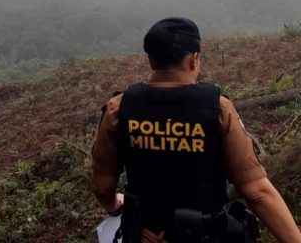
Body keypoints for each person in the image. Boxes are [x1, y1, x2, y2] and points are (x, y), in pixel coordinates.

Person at [91, 17, 301, 243]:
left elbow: (102, 186)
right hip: (207, 234)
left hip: (144, 233)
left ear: (151, 60)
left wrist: (114, 205)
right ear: (193, 60)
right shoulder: (218, 109)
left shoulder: (119, 108)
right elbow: (256, 192)